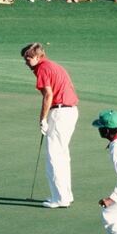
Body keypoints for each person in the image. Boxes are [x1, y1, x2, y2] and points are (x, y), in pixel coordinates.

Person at [21, 42, 78, 209]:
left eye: (29, 58)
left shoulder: (43, 68)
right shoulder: (53, 65)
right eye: (25, 58)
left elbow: (48, 95)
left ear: (39, 56)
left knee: (54, 157)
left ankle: (60, 198)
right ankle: (65, 194)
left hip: (60, 112)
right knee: (62, 155)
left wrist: (43, 119)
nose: (26, 61)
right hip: (70, 111)